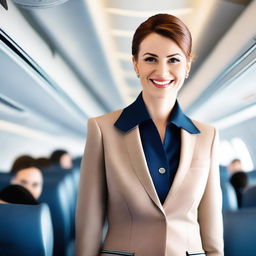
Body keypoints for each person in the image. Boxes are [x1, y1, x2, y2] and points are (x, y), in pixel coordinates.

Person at [76, 14, 223, 256]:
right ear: (136, 65)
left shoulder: (207, 136)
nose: (162, 71)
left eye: (174, 60)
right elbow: (89, 224)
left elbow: (211, 227)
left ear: (187, 66)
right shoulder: (102, 130)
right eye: (150, 59)